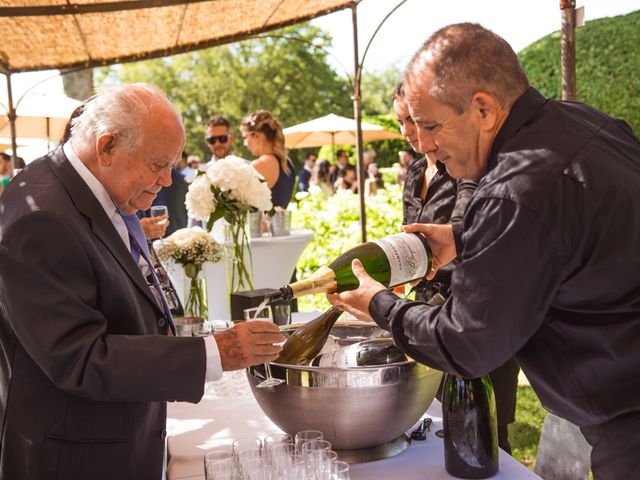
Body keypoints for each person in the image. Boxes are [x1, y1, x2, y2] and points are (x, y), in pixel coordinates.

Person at [329, 23, 640, 479]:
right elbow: (568, 238)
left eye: (431, 125)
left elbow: (466, 343)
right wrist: (466, 238)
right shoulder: (592, 123)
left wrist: (379, 304)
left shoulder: (514, 191)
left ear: (484, 109)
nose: (426, 144)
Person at [0, 84, 284, 480]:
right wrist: (214, 353)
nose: (168, 179)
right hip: (77, 460)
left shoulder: (85, 188)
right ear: (107, 147)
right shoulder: (41, 219)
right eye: (157, 164)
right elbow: (80, 359)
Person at [393, 80, 519, 454]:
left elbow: (466, 231)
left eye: (416, 121)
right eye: (401, 121)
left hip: (474, 310)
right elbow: (412, 238)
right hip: (427, 312)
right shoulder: (415, 173)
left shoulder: (466, 166)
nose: (409, 132)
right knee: (439, 427)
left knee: (487, 431)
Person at [241, 110, 295, 209]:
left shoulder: (260, 165)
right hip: (282, 223)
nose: (245, 143)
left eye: (245, 137)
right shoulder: (288, 162)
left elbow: (242, 206)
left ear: (257, 136)